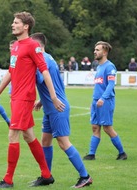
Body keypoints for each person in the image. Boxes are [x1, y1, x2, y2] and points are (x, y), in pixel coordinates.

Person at [0, 11, 65, 188]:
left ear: (26, 26)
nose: (12, 25)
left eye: (16, 22)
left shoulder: (33, 46)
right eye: (13, 22)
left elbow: (45, 71)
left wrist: (53, 96)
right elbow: (11, 71)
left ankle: (8, 180)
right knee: (29, 135)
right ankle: (46, 175)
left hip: (25, 98)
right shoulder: (16, 45)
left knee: (12, 134)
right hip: (16, 97)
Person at [31, 32, 92, 188]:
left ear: (38, 46)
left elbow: (37, 79)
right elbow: (52, 82)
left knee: (63, 143)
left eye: (31, 45)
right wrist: (42, 100)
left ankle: (85, 176)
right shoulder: (49, 58)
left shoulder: (42, 59)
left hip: (58, 107)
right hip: (51, 107)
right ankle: (47, 176)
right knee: (45, 141)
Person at [83, 41, 127, 161]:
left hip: (105, 101)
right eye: (95, 49)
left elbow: (111, 84)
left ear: (105, 52)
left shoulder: (109, 66)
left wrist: (103, 98)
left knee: (107, 128)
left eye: (97, 50)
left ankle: (122, 153)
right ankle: (91, 154)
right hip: (96, 101)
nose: (94, 52)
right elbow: (98, 86)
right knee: (95, 127)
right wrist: (93, 101)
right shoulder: (99, 67)